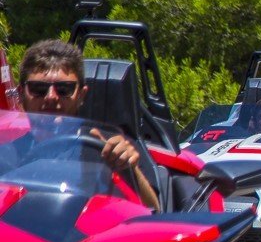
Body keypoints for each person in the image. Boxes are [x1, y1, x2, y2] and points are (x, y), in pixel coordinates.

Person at [15, 39, 159, 209]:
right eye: (38, 89)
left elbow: (154, 211)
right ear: (20, 95)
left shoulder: (111, 148)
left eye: (64, 89)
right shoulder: (7, 156)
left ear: (81, 95)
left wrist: (128, 169)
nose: (51, 97)